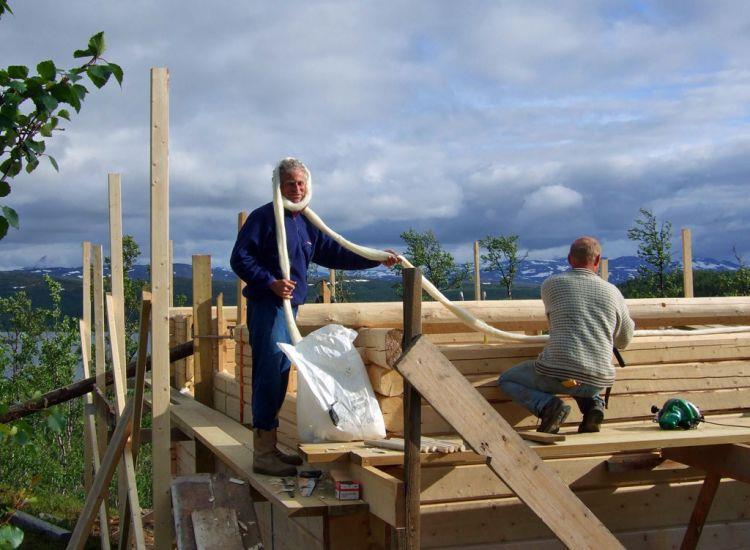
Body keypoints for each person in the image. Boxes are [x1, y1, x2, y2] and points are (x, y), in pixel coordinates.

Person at [230, 158, 399, 476]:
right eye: (290, 183)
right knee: (269, 373)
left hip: (289, 308)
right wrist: (270, 281)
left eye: (301, 183)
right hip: (268, 307)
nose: (296, 189)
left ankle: (270, 447)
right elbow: (240, 258)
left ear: (309, 186)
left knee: (281, 373)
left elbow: (336, 253)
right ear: (278, 187)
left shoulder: (306, 222)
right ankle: (263, 452)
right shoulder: (264, 218)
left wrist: (376, 259)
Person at [498, 236, 634, 434]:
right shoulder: (613, 292)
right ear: (597, 261)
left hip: (558, 375)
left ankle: (549, 407)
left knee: (507, 380)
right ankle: (593, 406)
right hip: (598, 381)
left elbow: (558, 321)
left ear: (570, 259)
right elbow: (624, 340)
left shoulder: (551, 284)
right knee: (583, 372)